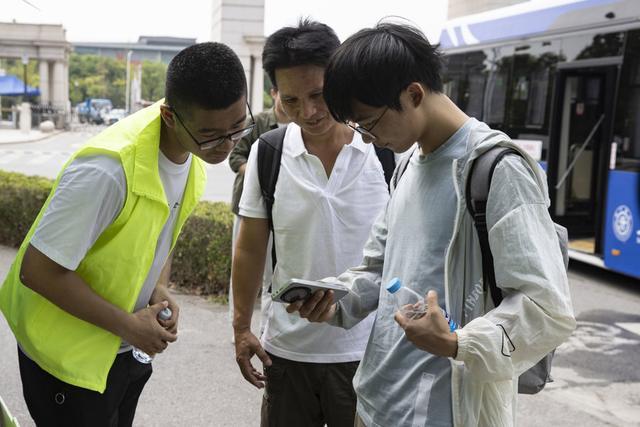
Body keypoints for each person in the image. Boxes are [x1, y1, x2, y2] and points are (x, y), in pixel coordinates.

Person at [290, 23, 576, 426]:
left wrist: (457, 342)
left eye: (368, 122)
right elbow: (379, 270)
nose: (367, 139)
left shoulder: (496, 169)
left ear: (413, 94)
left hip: (444, 411)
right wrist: (333, 301)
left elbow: (546, 306)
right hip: (375, 401)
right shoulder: (408, 162)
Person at [0, 42, 252, 426]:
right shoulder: (107, 171)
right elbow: (37, 271)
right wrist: (128, 326)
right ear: (169, 116)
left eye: (238, 126)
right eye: (210, 135)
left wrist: (159, 289)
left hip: (120, 350)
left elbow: (158, 232)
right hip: (66, 359)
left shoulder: (192, 156)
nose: (227, 145)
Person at [232, 20, 389, 427]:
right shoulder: (269, 154)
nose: (309, 112)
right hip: (287, 352)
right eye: (292, 100)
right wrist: (240, 328)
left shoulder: (384, 154)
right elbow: (249, 248)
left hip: (366, 352)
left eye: (318, 95)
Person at [228, 87, 290, 334]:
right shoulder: (256, 122)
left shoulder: (300, 125)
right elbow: (235, 158)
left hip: (281, 211)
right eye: (287, 95)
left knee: (272, 274)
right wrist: (260, 174)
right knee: (242, 271)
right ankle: (238, 325)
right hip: (248, 207)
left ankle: (265, 327)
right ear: (274, 93)